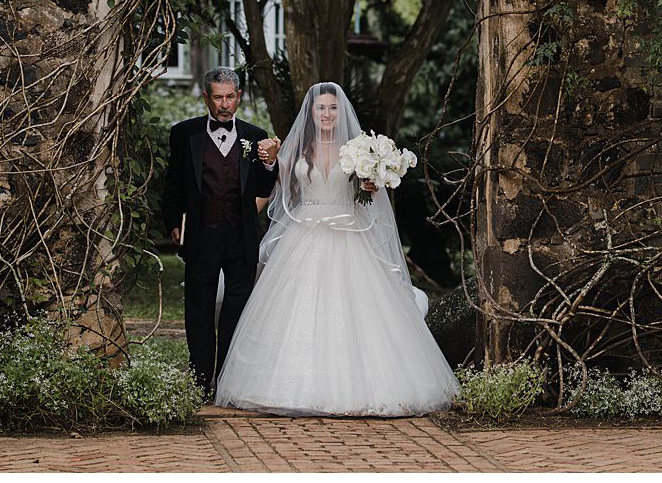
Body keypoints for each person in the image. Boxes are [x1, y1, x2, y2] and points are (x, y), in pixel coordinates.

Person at [214, 82, 459, 416]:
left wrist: (374, 182)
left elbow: (371, 198)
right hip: (304, 234)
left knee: (357, 311)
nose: (327, 114)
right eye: (320, 108)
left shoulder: (360, 150)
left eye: (332, 108)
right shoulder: (299, 149)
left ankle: (367, 387)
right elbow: (281, 186)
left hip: (349, 235)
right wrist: (272, 160)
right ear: (311, 113)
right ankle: (285, 387)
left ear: (340, 112)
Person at [161, 67, 281, 395]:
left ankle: (227, 380)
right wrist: (173, 223)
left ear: (239, 97)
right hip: (202, 234)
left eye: (230, 97)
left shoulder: (255, 136)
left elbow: (264, 186)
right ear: (206, 98)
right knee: (198, 309)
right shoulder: (184, 134)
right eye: (218, 97)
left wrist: (270, 163)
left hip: (241, 235)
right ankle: (201, 382)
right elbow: (172, 185)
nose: (224, 104)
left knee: (236, 309)